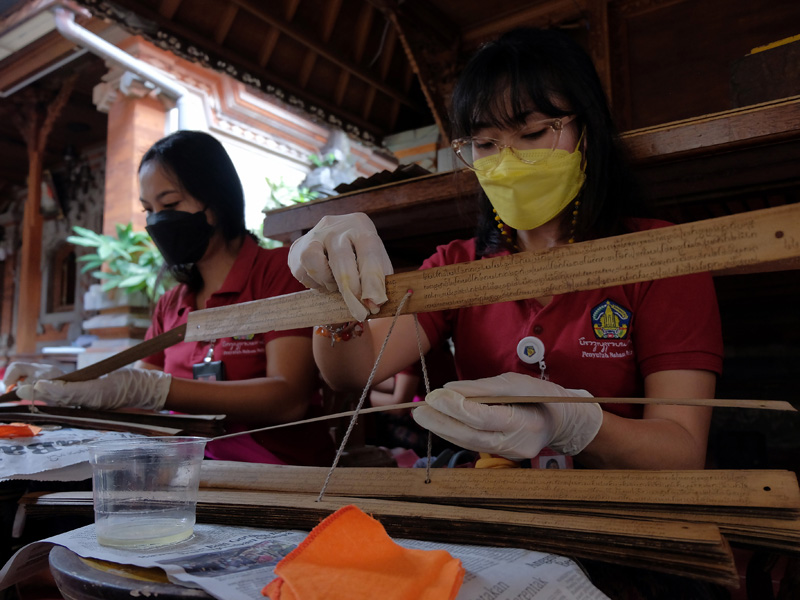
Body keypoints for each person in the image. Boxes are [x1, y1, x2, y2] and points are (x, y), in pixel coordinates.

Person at [287, 28, 723, 471]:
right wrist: (333, 291)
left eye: (532, 132)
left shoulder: (661, 258)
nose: (507, 161)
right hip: (493, 504)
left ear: (586, 133)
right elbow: (351, 372)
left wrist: (576, 424)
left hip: (621, 511)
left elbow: (682, 452)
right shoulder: (457, 265)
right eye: (486, 144)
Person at [4, 130, 334, 466]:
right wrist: (66, 385)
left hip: (279, 470)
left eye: (171, 204)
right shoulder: (171, 304)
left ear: (216, 201)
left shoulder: (278, 271)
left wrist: (158, 391)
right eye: (149, 209)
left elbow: (288, 398)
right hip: (189, 471)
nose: (157, 220)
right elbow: (132, 397)